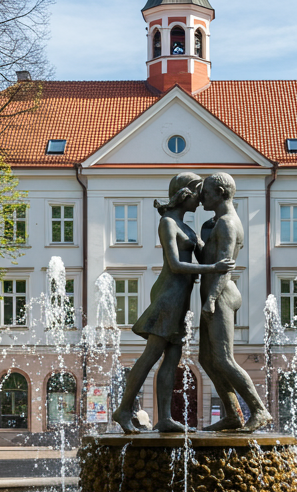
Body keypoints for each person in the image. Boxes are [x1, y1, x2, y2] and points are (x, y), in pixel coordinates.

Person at [111, 172, 234, 434]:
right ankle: (123, 410)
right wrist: (215, 267)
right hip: (168, 296)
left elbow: (203, 255)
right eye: (198, 193)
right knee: (151, 355)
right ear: (185, 194)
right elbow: (176, 265)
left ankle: (164, 417)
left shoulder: (188, 228)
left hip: (181, 300)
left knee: (172, 358)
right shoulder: (168, 223)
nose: (201, 199)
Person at [196, 172, 273, 432]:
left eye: (206, 192)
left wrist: (211, 300)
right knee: (206, 359)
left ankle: (259, 410)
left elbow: (225, 267)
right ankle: (232, 414)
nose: (202, 197)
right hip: (213, 295)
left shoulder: (228, 223)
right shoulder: (217, 223)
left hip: (221, 295)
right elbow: (209, 260)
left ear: (220, 192)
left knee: (224, 358)